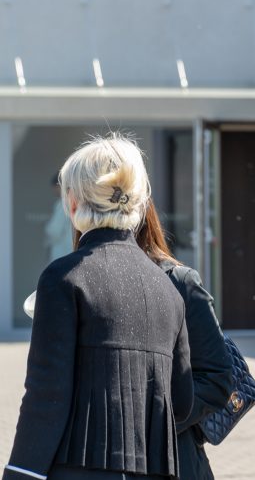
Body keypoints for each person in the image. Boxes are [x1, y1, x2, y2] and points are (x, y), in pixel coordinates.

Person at [3, 134, 192, 480]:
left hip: (79, 468)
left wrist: (19, 474)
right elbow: (180, 403)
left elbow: (47, 397)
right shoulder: (169, 291)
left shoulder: (64, 279)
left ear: (73, 202)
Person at [137, 202, 234, 480]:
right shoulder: (80, 282)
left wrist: (154, 421)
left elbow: (217, 377)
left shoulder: (180, 282)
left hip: (175, 459)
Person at [43, 174, 74, 263]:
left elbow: (54, 231)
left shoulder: (63, 204)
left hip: (62, 252)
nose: (54, 191)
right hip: (73, 251)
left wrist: (46, 227)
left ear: (59, 185)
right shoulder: (78, 201)